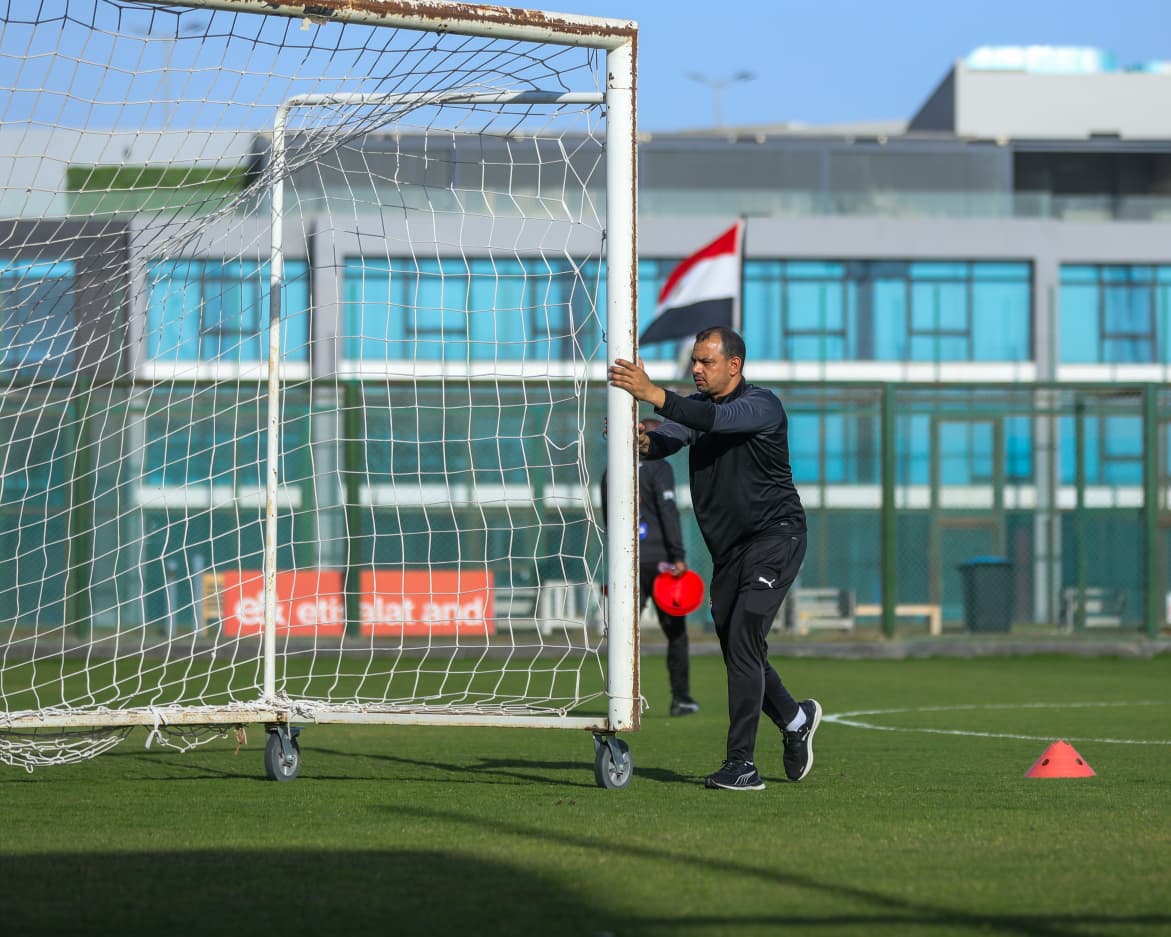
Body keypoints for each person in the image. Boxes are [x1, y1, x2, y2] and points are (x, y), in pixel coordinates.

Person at [607, 325, 821, 791]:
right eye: (694, 361)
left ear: (734, 365)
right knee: (740, 647)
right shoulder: (698, 407)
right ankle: (795, 719)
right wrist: (640, 440)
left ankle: (741, 764)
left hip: (776, 538)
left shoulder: (761, 405)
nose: (697, 369)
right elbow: (667, 439)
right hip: (730, 552)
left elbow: (714, 421)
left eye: (706, 361)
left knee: (744, 636)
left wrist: (653, 393)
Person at [601, 419, 700, 717]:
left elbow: (608, 521)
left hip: (626, 563)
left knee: (624, 632)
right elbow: (669, 513)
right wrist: (678, 556)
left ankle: (621, 698)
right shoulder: (660, 467)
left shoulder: (611, 472)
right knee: (676, 633)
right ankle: (681, 698)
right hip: (660, 564)